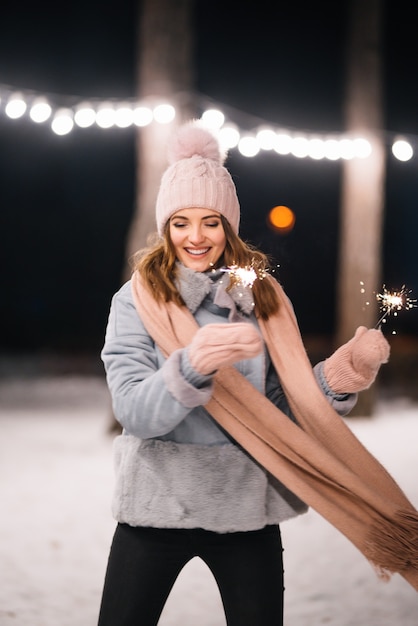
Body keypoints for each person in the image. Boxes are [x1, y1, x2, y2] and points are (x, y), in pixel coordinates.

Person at [97, 121, 392, 625]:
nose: (196, 237)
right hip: (157, 506)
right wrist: (191, 365)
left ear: (229, 226)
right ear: (165, 227)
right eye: (181, 222)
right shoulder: (137, 300)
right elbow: (133, 411)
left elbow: (279, 409)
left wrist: (340, 375)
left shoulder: (262, 299)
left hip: (245, 507)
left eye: (211, 221)